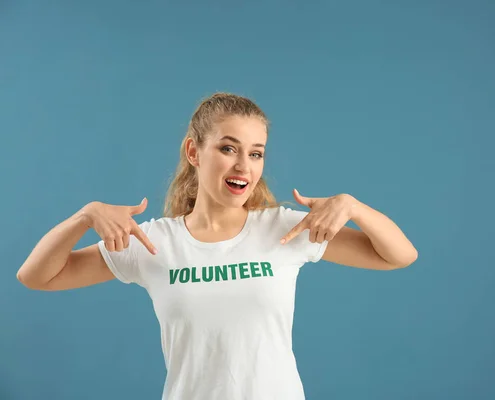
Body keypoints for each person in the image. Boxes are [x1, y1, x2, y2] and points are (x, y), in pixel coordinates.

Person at [16, 92, 418, 400]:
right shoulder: (153, 242)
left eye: (256, 153)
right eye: (228, 148)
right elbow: (36, 277)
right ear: (194, 151)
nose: (244, 165)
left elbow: (399, 255)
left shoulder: (286, 230)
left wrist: (352, 205)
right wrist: (84, 217)